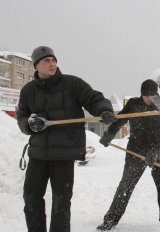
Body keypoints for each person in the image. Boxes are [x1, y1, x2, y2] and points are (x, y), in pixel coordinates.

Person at [16, 46, 117, 232]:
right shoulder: (28, 91)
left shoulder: (72, 84)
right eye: (46, 60)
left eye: (54, 60)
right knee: (30, 197)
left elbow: (93, 98)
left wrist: (104, 110)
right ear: (36, 65)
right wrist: (29, 124)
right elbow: (22, 116)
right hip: (38, 153)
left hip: (64, 153)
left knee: (61, 202)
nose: (52, 64)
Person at [96, 79, 160, 231]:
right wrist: (109, 135)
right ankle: (110, 221)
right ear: (142, 95)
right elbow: (119, 121)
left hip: (157, 150)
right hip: (136, 150)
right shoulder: (133, 104)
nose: (150, 98)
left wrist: (156, 151)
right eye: (147, 95)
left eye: (153, 95)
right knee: (125, 185)